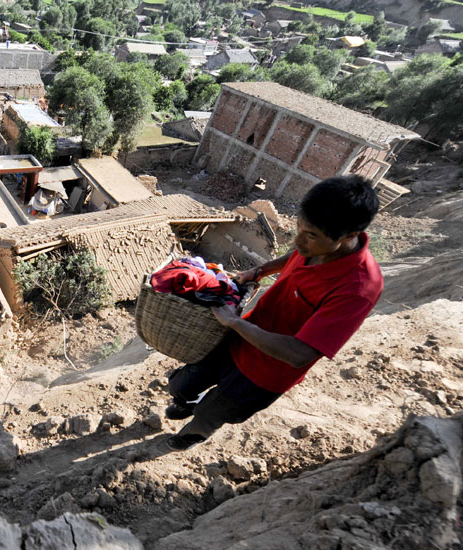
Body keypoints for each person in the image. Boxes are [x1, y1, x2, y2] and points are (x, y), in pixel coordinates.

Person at [165, 175, 384, 451]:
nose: (299, 241)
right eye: (299, 228)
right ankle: (185, 402)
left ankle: (194, 433)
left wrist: (234, 322)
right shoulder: (317, 242)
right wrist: (260, 270)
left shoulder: (358, 288)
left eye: (310, 235)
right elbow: (295, 254)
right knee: (184, 383)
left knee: (214, 411)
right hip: (241, 336)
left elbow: (299, 354)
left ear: (349, 236)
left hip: (266, 372)